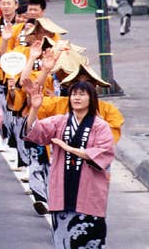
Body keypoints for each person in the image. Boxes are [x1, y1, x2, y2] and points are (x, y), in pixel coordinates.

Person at [25, 81, 114, 248]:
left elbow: (105, 152)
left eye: (82, 94)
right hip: (62, 191)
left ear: (91, 98)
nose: (77, 98)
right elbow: (34, 133)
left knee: (89, 241)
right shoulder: (60, 121)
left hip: (89, 193)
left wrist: (70, 149)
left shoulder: (100, 126)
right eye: (74, 94)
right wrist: (35, 109)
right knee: (63, 241)